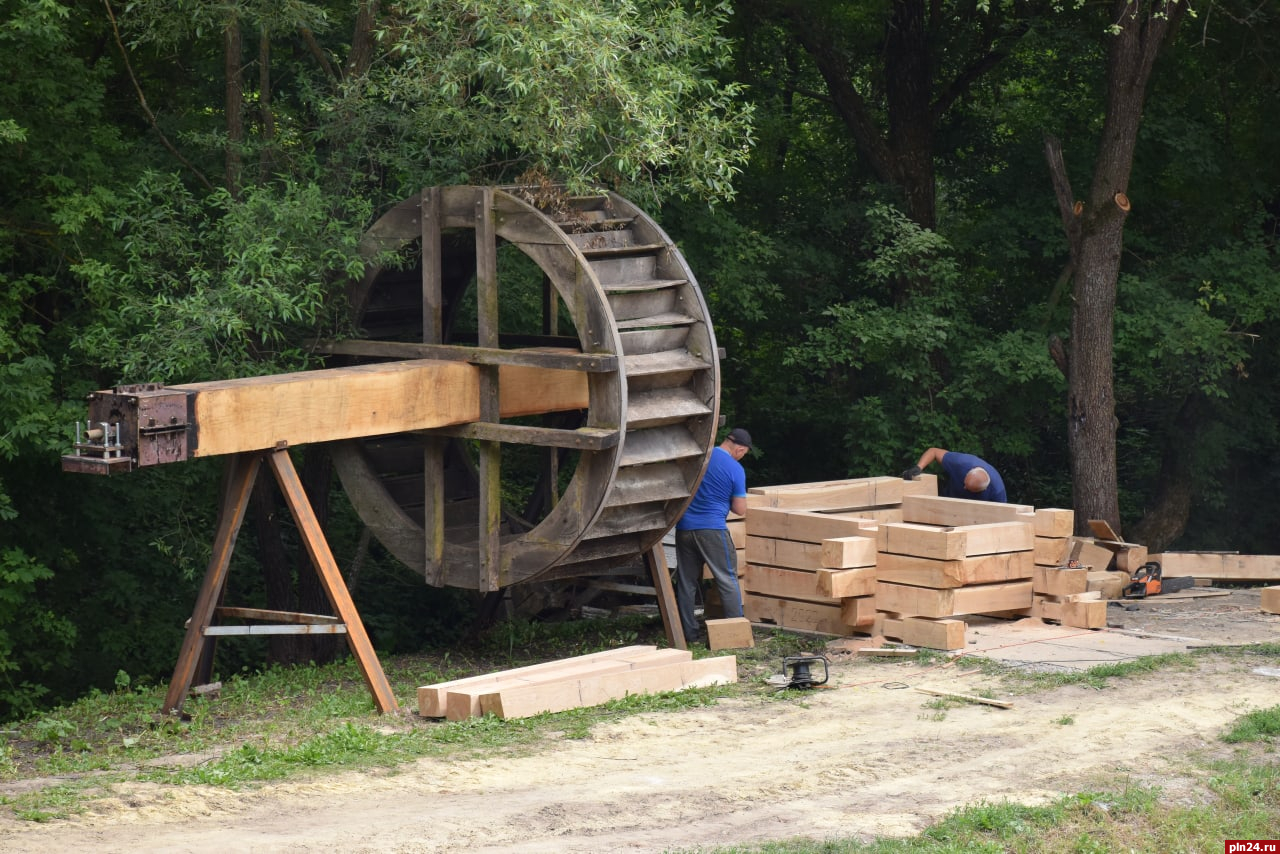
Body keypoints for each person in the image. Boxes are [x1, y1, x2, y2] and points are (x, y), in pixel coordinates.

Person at [674, 427, 752, 644]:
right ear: (739, 449)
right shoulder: (735, 469)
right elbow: (740, 509)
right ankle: (735, 636)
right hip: (712, 530)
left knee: (687, 582)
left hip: (684, 529)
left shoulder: (700, 457)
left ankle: (688, 635)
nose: (743, 456)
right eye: (744, 453)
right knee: (727, 578)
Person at [904, 446, 1006, 503]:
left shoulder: (997, 491)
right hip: (949, 501)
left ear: (984, 489)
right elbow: (934, 451)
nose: (964, 487)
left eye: (970, 489)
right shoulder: (962, 463)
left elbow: (1002, 517)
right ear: (967, 473)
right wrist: (918, 467)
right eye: (965, 483)